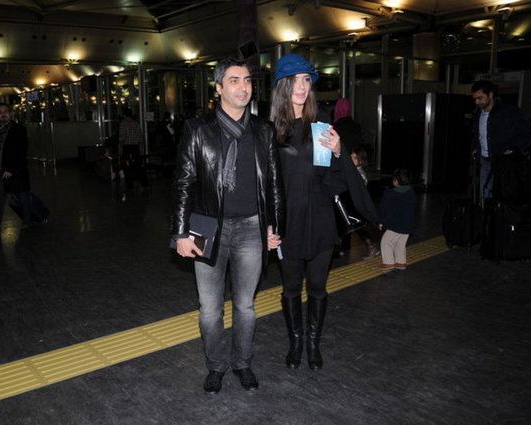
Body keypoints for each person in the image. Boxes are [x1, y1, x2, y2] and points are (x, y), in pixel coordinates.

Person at [172, 57, 284, 394]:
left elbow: (274, 184)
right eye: (234, 80)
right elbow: (184, 182)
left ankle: (243, 363)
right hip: (207, 227)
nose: (243, 87)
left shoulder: (263, 130)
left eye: (248, 80)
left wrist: (273, 225)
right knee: (209, 310)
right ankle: (216, 365)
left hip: (252, 227)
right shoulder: (198, 129)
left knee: (245, 306)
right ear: (218, 88)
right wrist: (180, 232)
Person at [269, 54, 377, 370]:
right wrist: (268, 226)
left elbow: (335, 181)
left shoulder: (321, 124)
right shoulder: (270, 130)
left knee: (317, 286)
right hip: (289, 221)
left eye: (306, 80)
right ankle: (296, 343)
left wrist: (340, 151)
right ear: (282, 86)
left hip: (321, 219)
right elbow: (264, 184)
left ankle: (313, 344)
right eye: (295, 80)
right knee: (291, 288)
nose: (302, 87)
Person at [471, 80, 531, 204]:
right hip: (485, 161)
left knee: (505, 195)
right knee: (485, 196)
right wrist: (478, 147)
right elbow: (480, 135)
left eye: (480, 98)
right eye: (475, 99)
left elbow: (526, 133)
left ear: (490, 95)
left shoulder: (509, 112)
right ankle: (487, 213)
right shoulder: (478, 114)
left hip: (505, 163)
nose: (477, 102)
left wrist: (515, 148)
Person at [0, 103, 31, 237]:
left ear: (10, 114)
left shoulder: (19, 129)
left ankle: (27, 223)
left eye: (5, 112)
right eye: (0, 112)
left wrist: (10, 168)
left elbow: (21, 151)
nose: (3, 114)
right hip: (0, 171)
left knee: (22, 198)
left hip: (16, 170)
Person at [378, 168, 416, 271]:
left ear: (396, 181)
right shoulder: (411, 191)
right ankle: (400, 262)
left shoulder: (390, 193)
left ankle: (388, 262)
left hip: (394, 225)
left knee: (386, 242)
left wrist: (381, 221)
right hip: (407, 225)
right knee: (400, 244)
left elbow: (384, 209)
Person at [118, 108, 148, 189]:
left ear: (124, 114)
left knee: (127, 165)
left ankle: (130, 184)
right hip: (135, 147)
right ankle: (144, 182)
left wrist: (120, 148)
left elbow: (122, 138)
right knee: (138, 165)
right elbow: (140, 136)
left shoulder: (123, 123)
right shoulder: (136, 123)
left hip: (127, 147)